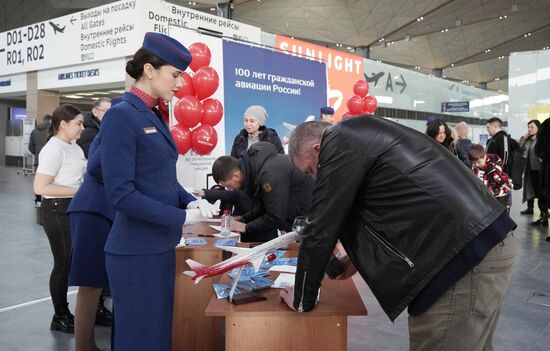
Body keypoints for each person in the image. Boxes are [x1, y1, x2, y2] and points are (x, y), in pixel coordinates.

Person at [281, 119, 517, 351]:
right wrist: (356, 257)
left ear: (317, 149)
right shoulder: (363, 134)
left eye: (311, 170)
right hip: (480, 244)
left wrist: (302, 299)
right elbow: (399, 206)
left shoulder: (338, 140)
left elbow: (321, 228)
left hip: (460, 262)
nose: (314, 178)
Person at [100, 32, 219, 351]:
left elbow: (158, 178)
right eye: (175, 75)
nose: (180, 84)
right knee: (140, 338)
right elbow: (121, 194)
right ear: (149, 70)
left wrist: (190, 199)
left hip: (156, 245)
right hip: (135, 250)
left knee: (155, 334)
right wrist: (181, 216)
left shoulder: (152, 114)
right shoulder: (121, 116)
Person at [33, 104, 87, 333]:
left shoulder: (73, 147)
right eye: (78, 123)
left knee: (74, 262)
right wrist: (80, 191)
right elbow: (40, 186)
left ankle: (83, 311)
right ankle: (60, 316)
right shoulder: (54, 148)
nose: (82, 128)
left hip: (71, 207)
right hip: (56, 209)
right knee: (63, 264)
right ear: (63, 124)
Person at [211, 142, 313, 242]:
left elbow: (276, 216)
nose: (230, 189)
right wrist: (242, 219)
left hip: (309, 221)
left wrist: (245, 227)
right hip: (300, 219)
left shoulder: (269, 173)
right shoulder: (257, 169)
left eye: (229, 186)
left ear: (236, 176)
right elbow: (264, 207)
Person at [67, 135, 114, 351]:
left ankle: (88, 345)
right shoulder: (113, 132)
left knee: (94, 285)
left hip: (99, 211)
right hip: (93, 210)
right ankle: (83, 347)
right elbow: (96, 167)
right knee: (90, 284)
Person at [468, 144, 512, 210]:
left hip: (501, 194)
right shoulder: (475, 167)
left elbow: (501, 181)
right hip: (488, 195)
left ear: (485, 157)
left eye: (479, 162)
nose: (476, 165)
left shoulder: (494, 165)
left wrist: (491, 170)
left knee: (501, 214)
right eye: (474, 163)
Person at [519, 120, 546, 224]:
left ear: (538, 128)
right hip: (530, 170)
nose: (529, 129)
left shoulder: (542, 139)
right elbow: (519, 149)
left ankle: (543, 214)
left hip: (541, 170)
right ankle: (531, 209)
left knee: (541, 192)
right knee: (530, 189)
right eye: (528, 127)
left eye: (532, 127)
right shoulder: (528, 140)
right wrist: (524, 138)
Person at [534, 118, 550, 236]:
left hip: (547, 165)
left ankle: (544, 218)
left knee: (545, 194)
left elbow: (538, 150)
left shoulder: (546, 125)